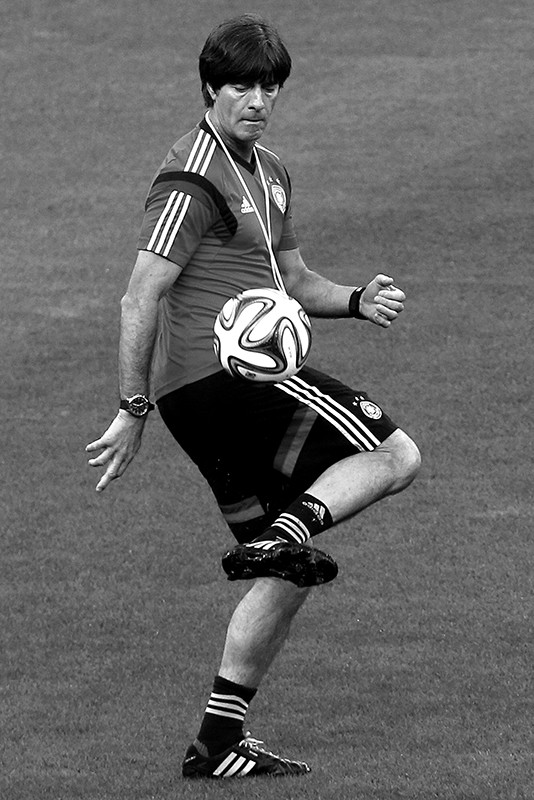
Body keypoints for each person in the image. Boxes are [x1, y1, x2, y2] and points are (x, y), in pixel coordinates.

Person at [86, 14, 421, 780]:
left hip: (204, 400)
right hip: (227, 378)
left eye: (270, 86)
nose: (258, 99)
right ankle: (291, 525)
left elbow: (296, 284)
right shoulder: (192, 175)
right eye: (242, 85)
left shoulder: (266, 171)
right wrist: (131, 409)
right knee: (397, 455)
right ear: (210, 87)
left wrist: (357, 298)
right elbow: (141, 296)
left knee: (285, 569)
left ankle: (217, 744)